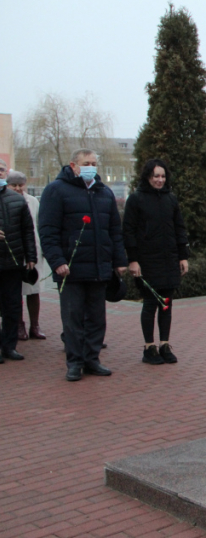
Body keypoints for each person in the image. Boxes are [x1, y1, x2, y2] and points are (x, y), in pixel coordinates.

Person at [39, 149, 127, 382]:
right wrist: (57, 261)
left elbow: (114, 232)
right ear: (73, 166)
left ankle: (92, 359)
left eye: (94, 163)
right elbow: (48, 232)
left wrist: (119, 261)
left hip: (99, 268)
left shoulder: (104, 193)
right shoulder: (56, 191)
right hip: (70, 270)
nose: (91, 167)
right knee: (73, 318)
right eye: (86, 163)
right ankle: (75, 362)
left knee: (97, 318)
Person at [122, 159, 189, 365]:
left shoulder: (171, 199)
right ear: (148, 177)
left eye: (162, 176)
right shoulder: (136, 199)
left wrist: (183, 255)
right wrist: (133, 260)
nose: (159, 180)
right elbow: (128, 231)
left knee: (167, 304)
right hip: (147, 260)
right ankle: (149, 347)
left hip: (169, 260)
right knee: (151, 304)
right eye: (155, 176)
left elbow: (179, 228)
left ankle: (165, 344)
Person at [0, 167, 37, 362]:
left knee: (12, 306)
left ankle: (9, 346)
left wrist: (31, 257)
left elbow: (27, 230)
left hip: (12, 263)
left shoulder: (16, 199)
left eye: (1, 170)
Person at [6, 171, 49, 340]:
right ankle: (19, 325)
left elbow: (39, 225)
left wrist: (42, 250)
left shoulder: (33, 201)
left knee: (33, 289)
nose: (17, 188)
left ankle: (35, 325)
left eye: (20, 185)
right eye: (13, 185)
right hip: (14, 251)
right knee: (15, 292)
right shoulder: (5, 200)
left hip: (33, 250)